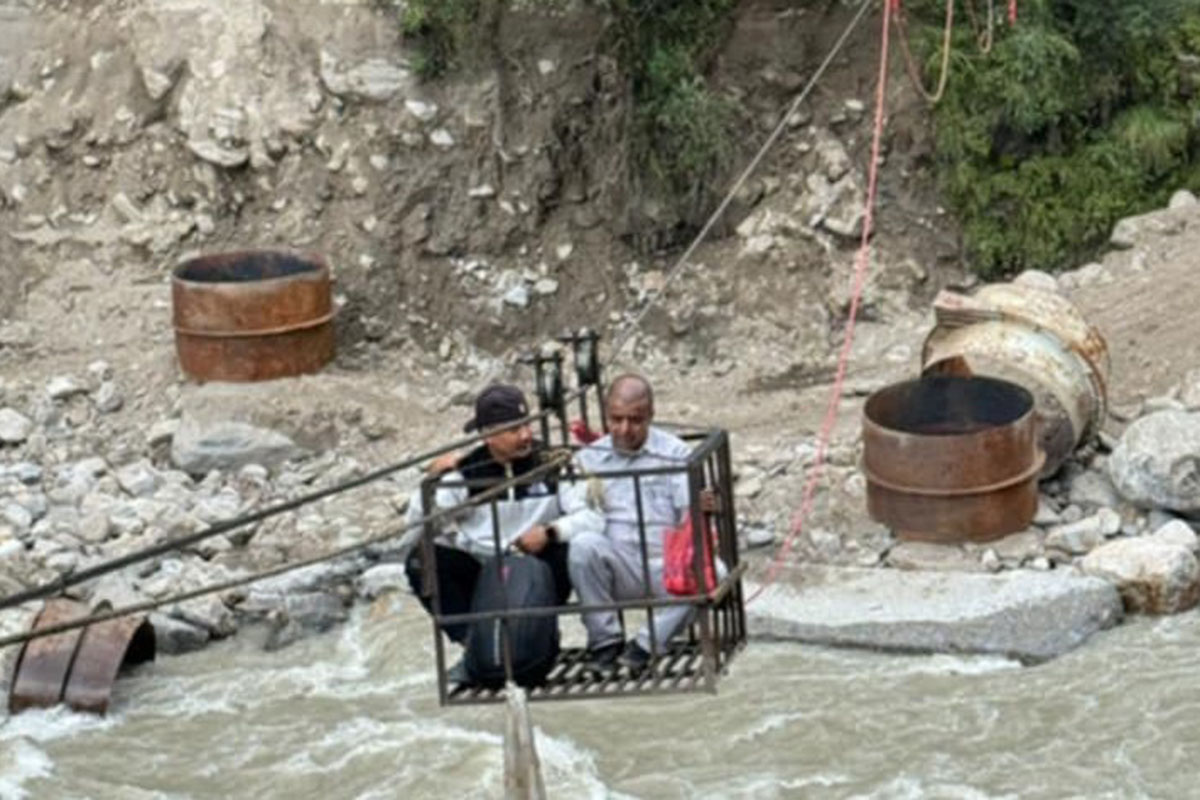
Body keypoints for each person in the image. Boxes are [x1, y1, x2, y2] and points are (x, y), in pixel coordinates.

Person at [404, 383, 601, 683]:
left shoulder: (554, 463)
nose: (525, 436)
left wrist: (550, 532)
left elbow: (593, 519)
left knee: (576, 547)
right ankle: (477, 647)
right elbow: (417, 527)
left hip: (538, 569)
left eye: (526, 426)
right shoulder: (466, 473)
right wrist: (434, 478)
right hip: (485, 574)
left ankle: (546, 638)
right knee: (422, 560)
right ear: (488, 435)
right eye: (513, 430)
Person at [567, 373, 719, 676]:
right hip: (617, 566)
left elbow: (688, 512)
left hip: (667, 567)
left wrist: (704, 507)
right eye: (616, 419)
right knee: (582, 546)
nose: (624, 429)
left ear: (650, 416)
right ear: (607, 416)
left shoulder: (674, 453)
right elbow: (574, 510)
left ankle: (645, 646)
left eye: (635, 420)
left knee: (717, 572)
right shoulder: (590, 458)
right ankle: (605, 641)